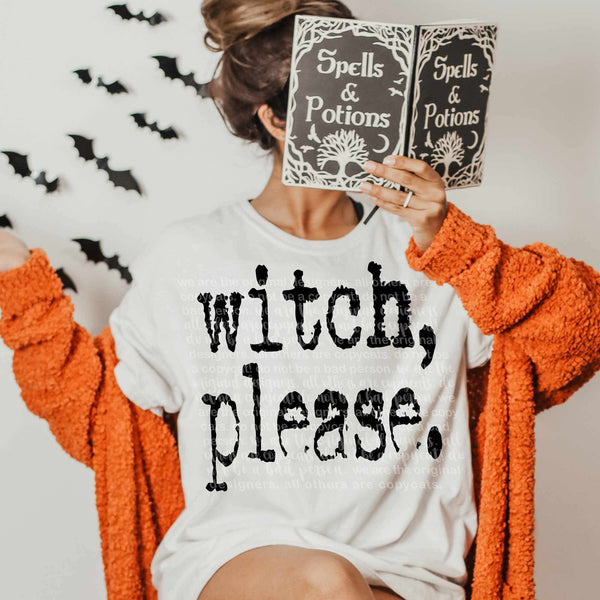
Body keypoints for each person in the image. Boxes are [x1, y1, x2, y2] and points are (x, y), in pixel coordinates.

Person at [1, 1, 600, 600]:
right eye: (350, 105)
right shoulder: (192, 257)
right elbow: (102, 416)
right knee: (326, 580)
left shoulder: (439, 254)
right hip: (238, 559)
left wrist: (453, 243)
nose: (372, 127)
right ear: (277, 120)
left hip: (409, 575)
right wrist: (19, 289)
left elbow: (581, 334)